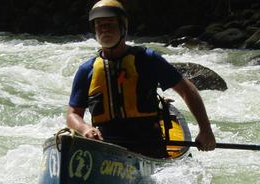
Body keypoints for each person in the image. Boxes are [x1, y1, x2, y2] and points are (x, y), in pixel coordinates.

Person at [66, 0, 216, 158]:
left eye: (110, 24)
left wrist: (205, 130)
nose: (105, 29)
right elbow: (73, 114)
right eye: (100, 25)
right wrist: (85, 129)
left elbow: (186, 90)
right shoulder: (86, 70)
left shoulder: (148, 59)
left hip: (149, 146)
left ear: (123, 27)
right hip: (107, 147)